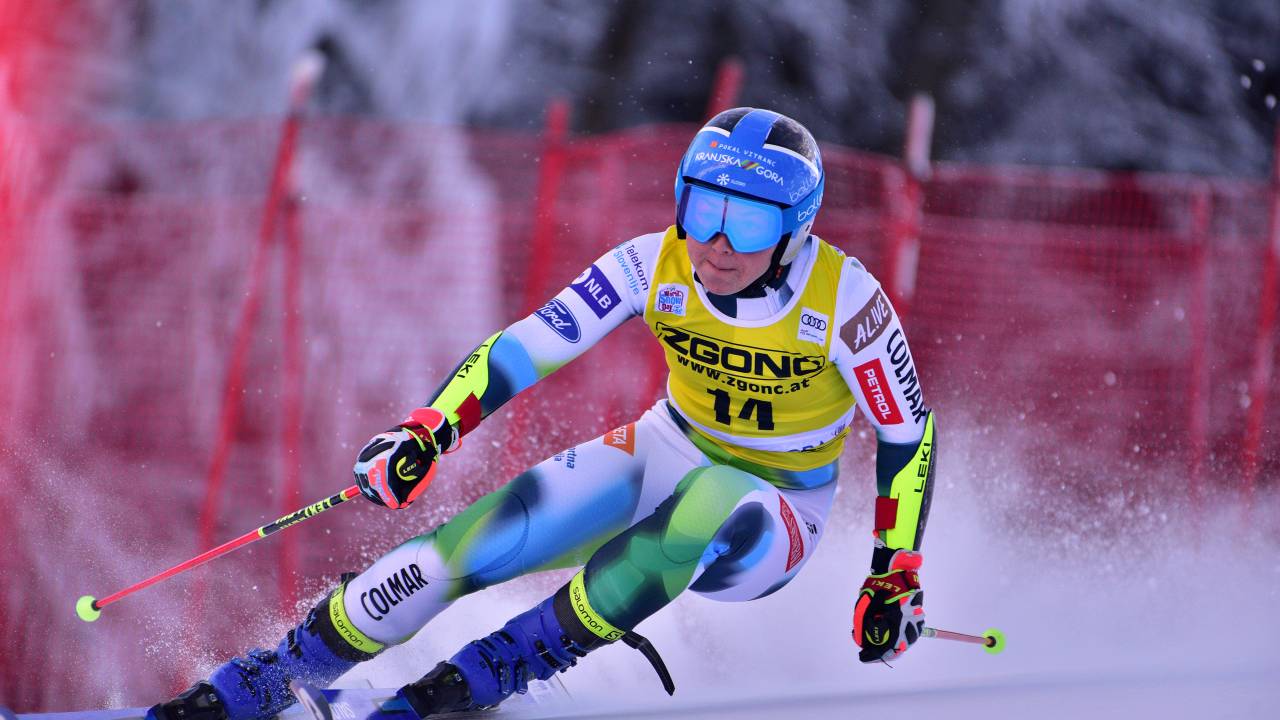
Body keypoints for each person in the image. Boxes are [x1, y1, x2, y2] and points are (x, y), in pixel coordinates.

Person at [147, 107, 937, 720]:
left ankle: (492, 673)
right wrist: (430, 429)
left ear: (796, 230)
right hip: (668, 443)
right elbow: (531, 345)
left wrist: (894, 573)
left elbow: (908, 432)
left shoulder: (846, 301)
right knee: (471, 545)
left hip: (778, 507)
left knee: (708, 503)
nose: (718, 245)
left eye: (752, 222)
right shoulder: (651, 262)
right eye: (703, 211)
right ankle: (273, 678)